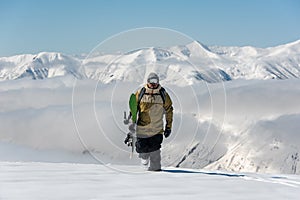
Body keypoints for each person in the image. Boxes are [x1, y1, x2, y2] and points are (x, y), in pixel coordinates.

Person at [126, 72, 173, 171]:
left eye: (155, 81)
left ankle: (155, 176)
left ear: (158, 82)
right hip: (142, 129)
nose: (153, 84)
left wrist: (168, 127)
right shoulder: (141, 93)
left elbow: (169, 110)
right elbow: (134, 111)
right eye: (151, 81)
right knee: (141, 149)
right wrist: (131, 128)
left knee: (155, 152)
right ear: (147, 82)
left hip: (157, 130)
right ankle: (144, 158)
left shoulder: (163, 94)